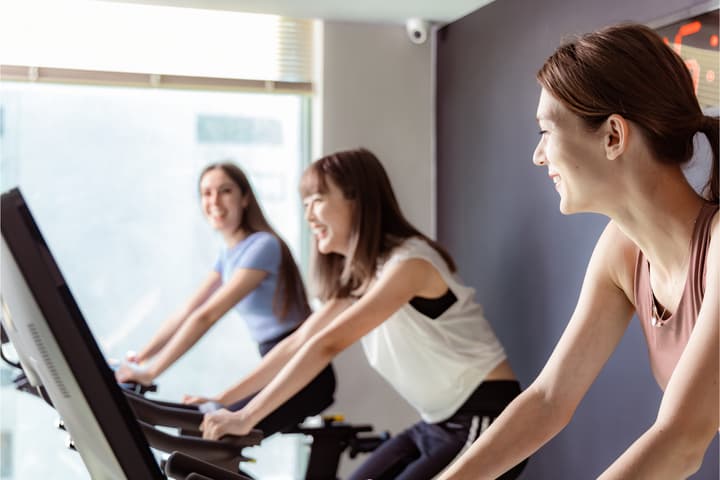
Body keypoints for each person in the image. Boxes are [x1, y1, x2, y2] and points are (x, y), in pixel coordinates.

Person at [439, 23, 719, 479]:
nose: (539, 155)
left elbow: (683, 438)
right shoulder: (622, 250)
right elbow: (549, 400)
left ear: (613, 136)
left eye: (546, 132)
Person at [198, 148, 527, 479]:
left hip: (485, 418)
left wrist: (246, 417)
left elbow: (326, 344)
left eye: (318, 199)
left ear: (356, 200)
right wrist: (221, 402)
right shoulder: (363, 279)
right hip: (438, 423)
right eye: (305, 204)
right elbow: (298, 342)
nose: (309, 216)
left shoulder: (409, 264)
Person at [115, 162, 336, 436]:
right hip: (277, 363)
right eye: (206, 193)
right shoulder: (229, 253)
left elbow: (207, 315)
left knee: (211, 434)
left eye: (225, 191)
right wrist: (139, 360)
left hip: (304, 371)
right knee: (201, 433)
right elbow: (188, 310)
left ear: (245, 198)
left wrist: (150, 374)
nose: (214, 201)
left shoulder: (263, 246)